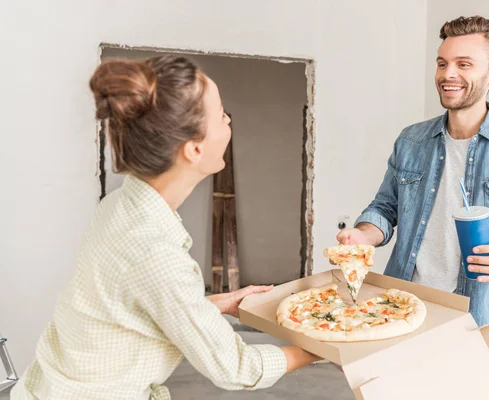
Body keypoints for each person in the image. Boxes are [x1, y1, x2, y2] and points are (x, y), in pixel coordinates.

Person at [11, 55, 319, 400]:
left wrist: (220, 302)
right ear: (195, 149)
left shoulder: (118, 207)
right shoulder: (155, 250)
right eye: (220, 116)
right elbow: (236, 368)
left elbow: (136, 309)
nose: (228, 120)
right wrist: (324, 344)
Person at [335, 15, 489, 349]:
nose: (448, 74)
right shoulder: (411, 140)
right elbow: (385, 209)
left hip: (478, 325)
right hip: (402, 310)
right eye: (442, 63)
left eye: (464, 64)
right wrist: (362, 235)